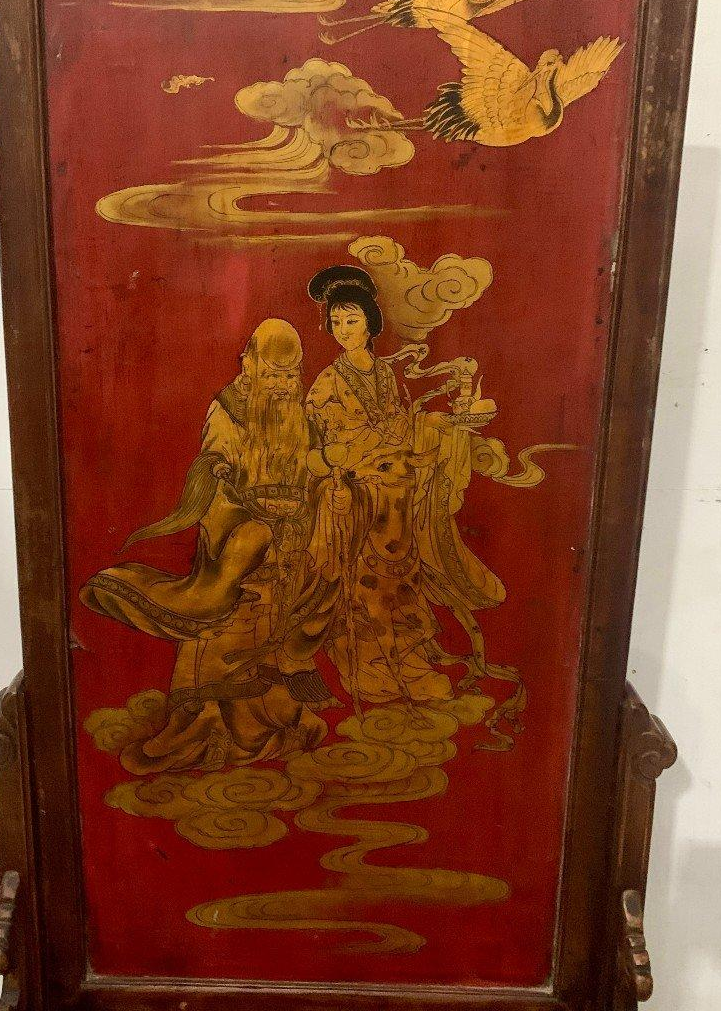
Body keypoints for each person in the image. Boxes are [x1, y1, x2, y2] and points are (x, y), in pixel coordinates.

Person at [80, 319, 335, 773]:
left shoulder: (302, 416)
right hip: (240, 527)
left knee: (276, 627)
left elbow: (314, 468)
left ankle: (266, 720)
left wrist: (320, 482)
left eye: (289, 375)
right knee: (222, 618)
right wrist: (231, 486)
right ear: (250, 364)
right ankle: (198, 724)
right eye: (273, 374)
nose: (281, 385)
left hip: (290, 535)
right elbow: (215, 460)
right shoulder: (229, 408)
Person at [304, 266, 508, 707]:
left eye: (352, 319)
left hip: (398, 495)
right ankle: (370, 667)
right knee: (366, 585)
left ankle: (411, 663)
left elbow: (406, 426)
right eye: (336, 322)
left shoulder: (386, 375)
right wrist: (363, 446)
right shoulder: (327, 383)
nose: (343, 330)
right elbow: (325, 447)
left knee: (404, 580)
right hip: (359, 496)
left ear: (370, 323)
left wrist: (441, 423)